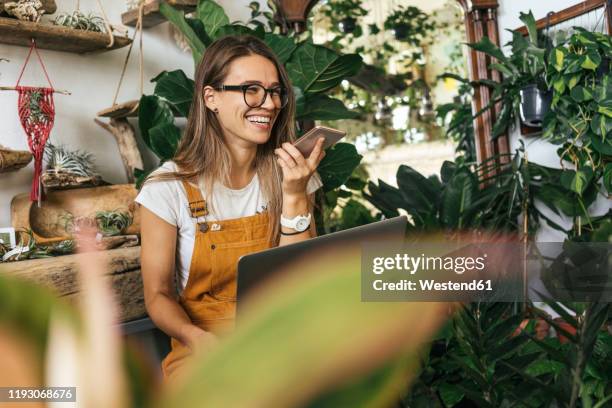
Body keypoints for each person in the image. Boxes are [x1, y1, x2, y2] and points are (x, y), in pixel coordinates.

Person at [135, 35, 326, 380]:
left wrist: (295, 194)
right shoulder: (166, 189)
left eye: (274, 91)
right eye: (251, 89)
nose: (267, 104)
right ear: (211, 98)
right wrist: (196, 337)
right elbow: (158, 295)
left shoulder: (292, 175)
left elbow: (298, 279)